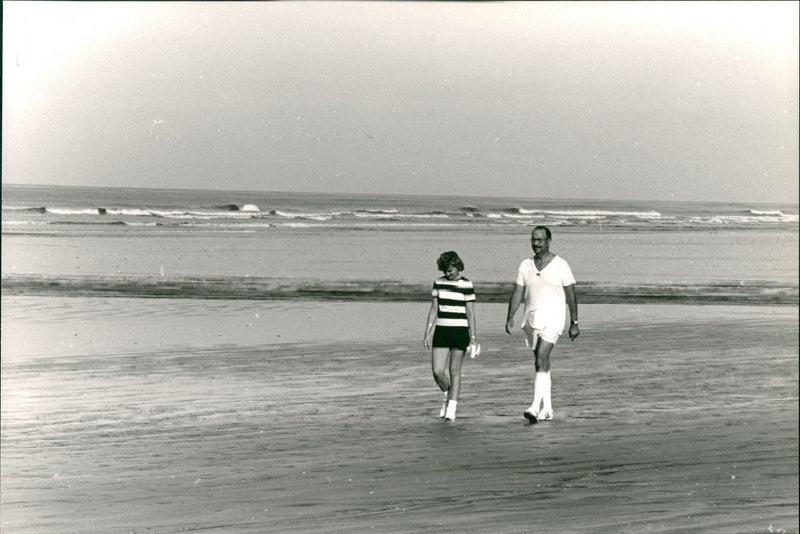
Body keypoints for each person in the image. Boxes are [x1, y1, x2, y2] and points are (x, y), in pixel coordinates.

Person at [505, 226, 579, 423]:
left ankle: (534, 407)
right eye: (533, 239)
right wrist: (510, 315)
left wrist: (574, 322)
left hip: (554, 320)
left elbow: (571, 295)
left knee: (541, 358)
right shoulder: (525, 265)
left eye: (540, 240)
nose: (536, 243)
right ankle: (548, 409)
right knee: (542, 362)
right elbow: (518, 292)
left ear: (548, 241)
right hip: (532, 320)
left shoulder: (561, 265)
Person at [423, 251, 478, 421]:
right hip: (442, 331)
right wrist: (427, 332)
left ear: (457, 265)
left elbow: (470, 313)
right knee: (437, 371)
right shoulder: (438, 283)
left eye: (451, 269)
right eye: (445, 270)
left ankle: (451, 408)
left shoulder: (467, 284)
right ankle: (447, 397)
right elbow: (434, 309)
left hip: (460, 331)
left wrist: (473, 337)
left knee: (454, 371)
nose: (448, 273)